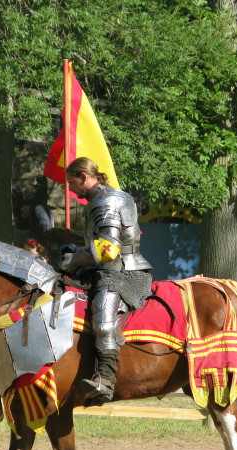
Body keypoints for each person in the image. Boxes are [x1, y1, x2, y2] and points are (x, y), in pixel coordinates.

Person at [59, 157, 153, 405]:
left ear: (83, 177)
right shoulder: (100, 199)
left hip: (121, 271)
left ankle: (106, 380)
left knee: (103, 320)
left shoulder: (106, 201)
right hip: (108, 267)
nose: (70, 189)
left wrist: (75, 259)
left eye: (72, 182)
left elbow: (108, 250)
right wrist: (77, 250)